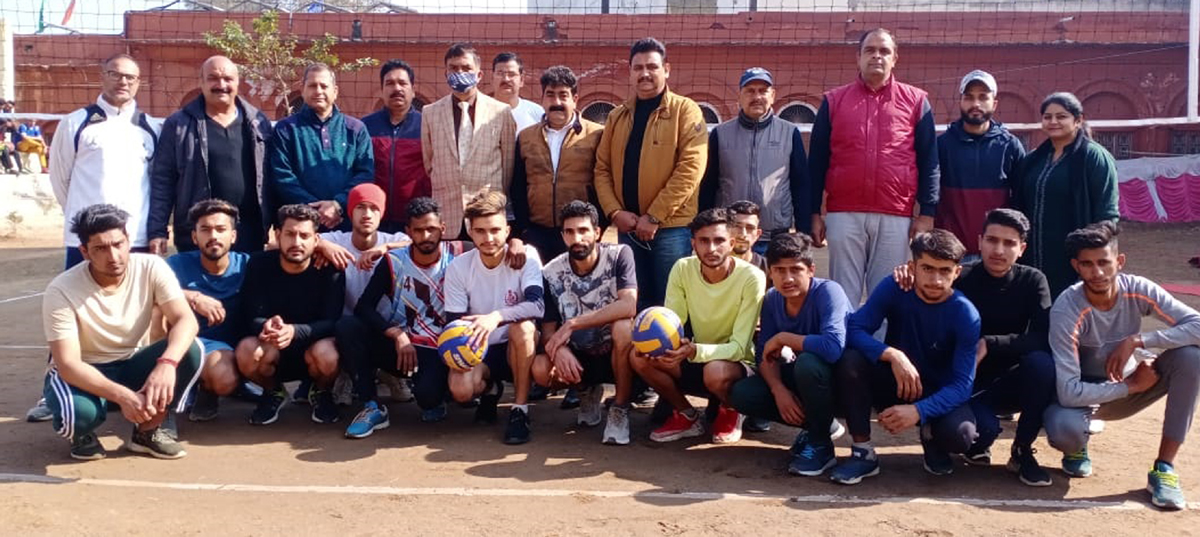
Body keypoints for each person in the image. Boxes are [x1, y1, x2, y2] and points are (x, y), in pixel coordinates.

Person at [892, 209, 1056, 486]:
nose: (999, 250)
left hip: (1005, 381)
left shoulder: (1033, 281)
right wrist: (905, 275)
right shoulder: (959, 276)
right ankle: (935, 435)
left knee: (1042, 364)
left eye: (1009, 243)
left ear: (1022, 248)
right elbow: (923, 285)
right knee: (969, 435)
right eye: (992, 240)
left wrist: (989, 344)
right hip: (959, 381)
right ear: (979, 241)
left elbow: (1042, 337)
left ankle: (1022, 451)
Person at [1043, 222, 1200, 511]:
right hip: (1085, 397)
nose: (1098, 272)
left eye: (1104, 262)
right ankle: (1077, 447)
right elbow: (1066, 392)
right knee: (1065, 430)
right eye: (1087, 264)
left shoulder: (1138, 289)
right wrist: (1128, 386)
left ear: (1120, 261)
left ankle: (1164, 469)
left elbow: (1197, 326)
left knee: (1191, 357)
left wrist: (1141, 339)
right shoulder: (1067, 308)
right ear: (1076, 266)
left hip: (1130, 389)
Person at [41, 204, 202, 460]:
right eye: (100, 249)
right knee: (78, 416)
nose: (113, 256)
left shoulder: (151, 267)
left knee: (191, 350)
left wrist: (166, 364)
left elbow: (186, 320)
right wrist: (123, 397)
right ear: (84, 252)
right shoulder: (61, 290)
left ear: (128, 241)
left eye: (118, 244)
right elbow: (68, 364)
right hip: (86, 370)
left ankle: (147, 432)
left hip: (131, 363)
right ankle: (82, 434)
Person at [830, 229, 980, 485]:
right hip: (894, 380)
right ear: (912, 267)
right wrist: (891, 354)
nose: (935, 279)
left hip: (935, 390)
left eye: (945, 271)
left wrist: (919, 411)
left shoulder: (965, 313)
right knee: (850, 360)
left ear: (957, 272)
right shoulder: (896, 287)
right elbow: (853, 328)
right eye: (927, 268)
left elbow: (962, 385)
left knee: (962, 435)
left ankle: (931, 434)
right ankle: (862, 452)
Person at [808, 28, 940, 307]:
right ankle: (843, 349)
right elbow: (817, 161)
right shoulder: (833, 101)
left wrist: (927, 213)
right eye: (870, 50)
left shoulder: (916, 101)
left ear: (895, 59)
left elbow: (930, 161)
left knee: (886, 293)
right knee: (843, 294)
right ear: (858, 57)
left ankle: (877, 351)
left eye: (884, 51)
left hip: (895, 214)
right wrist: (813, 213)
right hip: (843, 213)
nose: (877, 56)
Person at [630, 208, 766, 444]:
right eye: (704, 241)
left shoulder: (752, 277)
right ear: (693, 243)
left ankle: (731, 410)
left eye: (719, 241)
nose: (711, 249)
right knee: (640, 356)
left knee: (715, 371)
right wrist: (658, 346)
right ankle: (687, 415)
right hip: (696, 354)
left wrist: (694, 350)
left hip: (736, 362)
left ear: (732, 243)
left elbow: (740, 346)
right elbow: (673, 322)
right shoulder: (682, 268)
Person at [338, 197, 468, 437]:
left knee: (428, 398)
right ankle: (371, 406)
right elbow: (363, 308)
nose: (426, 236)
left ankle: (442, 394)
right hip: (402, 345)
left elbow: (497, 246)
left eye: (431, 229)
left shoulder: (461, 253)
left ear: (443, 228)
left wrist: (517, 245)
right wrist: (396, 334)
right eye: (418, 230)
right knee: (348, 326)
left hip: (440, 347)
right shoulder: (393, 262)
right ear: (408, 232)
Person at [594, 37, 708, 310]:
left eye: (652, 67)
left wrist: (655, 215)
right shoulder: (617, 116)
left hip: (670, 229)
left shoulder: (686, 110)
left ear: (666, 69)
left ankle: (675, 355)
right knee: (635, 304)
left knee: (673, 305)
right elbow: (602, 169)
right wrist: (614, 213)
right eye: (638, 67)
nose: (645, 73)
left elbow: (691, 168)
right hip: (628, 228)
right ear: (630, 71)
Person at [728, 232, 851, 476]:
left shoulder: (829, 292)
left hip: (843, 384)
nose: (788, 278)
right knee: (743, 394)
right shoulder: (773, 299)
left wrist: (785, 338)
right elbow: (765, 354)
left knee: (808, 362)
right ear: (770, 273)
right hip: (807, 382)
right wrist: (778, 390)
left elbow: (833, 347)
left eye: (796, 269)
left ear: (811, 270)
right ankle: (821, 426)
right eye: (780, 270)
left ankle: (820, 445)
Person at [443, 191, 543, 444]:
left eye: (495, 230)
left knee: (523, 328)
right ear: (470, 232)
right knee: (460, 389)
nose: (488, 238)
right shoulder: (458, 267)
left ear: (508, 231)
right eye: (480, 231)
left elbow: (537, 305)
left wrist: (495, 317)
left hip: (516, 347)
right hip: (481, 348)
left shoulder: (526, 255)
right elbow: (454, 323)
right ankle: (491, 390)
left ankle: (520, 410)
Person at [534, 201, 637, 444]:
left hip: (618, 353)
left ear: (597, 233)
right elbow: (548, 331)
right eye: (569, 232)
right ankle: (585, 392)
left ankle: (619, 408)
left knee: (623, 326)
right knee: (540, 368)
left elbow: (629, 305)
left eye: (583, 230)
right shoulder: (550, 272)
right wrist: (559, 349)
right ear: (562, 236)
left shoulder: (620, 255)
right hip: (580, 356)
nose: (577, 238)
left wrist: (572, 324)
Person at [150, 55, 274, 254]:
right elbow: (163, 181)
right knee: (195, 286)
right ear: (201, 82)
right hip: (198, 234)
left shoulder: (258, 122)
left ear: (237, 81)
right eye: (213, 78)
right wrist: (157, 230)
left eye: (227, 79)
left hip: (249, 233)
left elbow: (271, 177)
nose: (221, 84)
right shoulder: (179, 124)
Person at [236, 204, 345, 426]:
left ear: (316, 240)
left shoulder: (329, 269)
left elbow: (332, 321)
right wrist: (266, 326)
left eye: (304, 235)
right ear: (277, 235)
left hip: (313, 350)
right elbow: (249, 315)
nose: (296, 242)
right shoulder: (258, 264)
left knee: (330, 354)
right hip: (273, 348)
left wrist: (294, 331)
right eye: (290, 234)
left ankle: (321, 391)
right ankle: (273, 392)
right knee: (247, 351)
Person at [49, 53, 161, 268]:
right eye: (115, 74)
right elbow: (60, 178)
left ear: (138, 83)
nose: (123, 82)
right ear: (103, 77)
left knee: (136, 301)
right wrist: (83, 219)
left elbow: (156, 182)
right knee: (82, 300)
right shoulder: (74, 123)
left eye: (130, 77)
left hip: (135, 237)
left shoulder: (152, 127)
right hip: (87, 238)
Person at [1012, 92, 1120, 298]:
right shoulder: (1033, 160)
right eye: (1047, 116)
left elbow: (1108, 215)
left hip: (1074, 261)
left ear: (1078, 120)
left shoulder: (1095, 157)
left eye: (1061, 116)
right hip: (1034, 257)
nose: (1053, 121)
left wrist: (1089, 258)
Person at [700, 67, 810, 250]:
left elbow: (801, 185)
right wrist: (704, 229)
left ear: (773, 95)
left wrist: (803, 232)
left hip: (775, 237)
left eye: (763, 91)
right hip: (731, 237)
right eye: (750, 91)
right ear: (740, 97)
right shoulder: (720, 134)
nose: (757, 96)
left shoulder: (790, 133)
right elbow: (708, 186)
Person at [421, 43, 518, 241]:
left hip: (486, 217)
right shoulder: (430, 113)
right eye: (454, 68)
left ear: (479, 75)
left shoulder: (501, 112)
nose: (459, 72)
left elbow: (508, 165)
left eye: (466, 68)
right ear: (446, 73)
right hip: (447, 217)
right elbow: (428, 163)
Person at [164, 200, 249, 422]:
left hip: (236, 347)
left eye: (221, 230)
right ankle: (202, 387)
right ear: (194, 237)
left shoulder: (249, 265)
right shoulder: (176, 264)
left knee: (228, 375)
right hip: (191, 344)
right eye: (205, 230)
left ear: (233, 236)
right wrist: (194, 297)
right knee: (223, 377)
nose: (213, 236)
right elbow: (145, 288)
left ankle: (212, 386)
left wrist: (324, 245)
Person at [511, 65, 605, 262]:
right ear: (542, 99)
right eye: (550, 95)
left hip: (578, 233)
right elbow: (518, 185)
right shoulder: (526, 137)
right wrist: (524, 230)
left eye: (563, 95)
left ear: (575, 99)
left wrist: (599, 226)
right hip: (537, 232)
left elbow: (604, 181)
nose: (557, 102)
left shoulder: (596, 135)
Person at [269, 63, 373, 232]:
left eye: (324, 86)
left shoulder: (355, 129)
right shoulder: (285, 129)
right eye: (312, 86)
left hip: (346, 224)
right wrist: (315, 211)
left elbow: (365, 174)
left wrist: (338, 204)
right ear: (303, 90)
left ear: (335, 91)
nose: (318, 91)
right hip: (301, 228)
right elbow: (282, 176)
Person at [934, 70, 1025, 262]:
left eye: (983, 97)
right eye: (969, 97)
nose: (975, 104)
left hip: (996, 256)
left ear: (994, 103)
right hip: (951, 253)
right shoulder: (942, 145)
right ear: (960, 102)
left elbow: (1021, 201)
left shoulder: (1010, 145)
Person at [314, 183, 411, 317]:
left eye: (374, 208)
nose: (367, 215)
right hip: (344, 325)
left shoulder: (393, 240)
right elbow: (294, 241)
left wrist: (385, 248)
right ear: (350, 212)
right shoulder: (337, 240)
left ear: (381, 214)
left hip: (385, 325)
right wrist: (322, 245)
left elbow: (415, 244)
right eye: (360, 207)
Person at [361, 59, 431, 232]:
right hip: (374, 218)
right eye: (390, 83)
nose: (397, 88)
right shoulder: (364, 127)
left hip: (415, 221)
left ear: (413, 91)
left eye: (402, 83)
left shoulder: (428, 126)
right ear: (382, 90)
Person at [491, 52, 546, 134]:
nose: (506, 79)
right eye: (500, 73)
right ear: (492, 79)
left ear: (522, 80)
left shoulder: (537, 114)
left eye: (511, 74)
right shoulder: (479, 113)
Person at [726, 200, 769, 277]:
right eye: (737, 226)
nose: (743, 234)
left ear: (757, 234)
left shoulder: (768, 270)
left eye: (750, 228)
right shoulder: (710, 267)